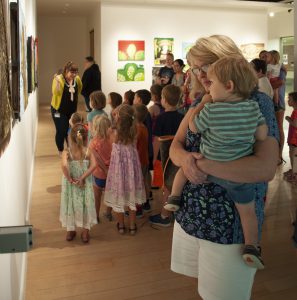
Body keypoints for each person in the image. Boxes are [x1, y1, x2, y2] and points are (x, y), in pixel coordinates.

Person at [169, 35, 279, 300]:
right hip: (192, 215)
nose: (201, 73)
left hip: (230, 226)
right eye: (195, 67)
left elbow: (264, 168)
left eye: (206, 65)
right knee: (205, 289)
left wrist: (200, 164)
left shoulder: (256, 102)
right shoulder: (201, 101)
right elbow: (176, 145)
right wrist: (185, 160)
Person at [165, 57, 267, 269]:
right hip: (234, 182)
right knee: (246, 212)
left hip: (207, 169)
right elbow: (262, 135)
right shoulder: (253, 108)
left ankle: (174, 198)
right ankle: (252, 247)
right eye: (195, 69)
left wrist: (203, 104)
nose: (202, 77)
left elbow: (193, 128)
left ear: (228, 85)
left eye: (207, 73)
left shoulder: (210, 108)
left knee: (183, 172)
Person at [104, 104, 146, 235]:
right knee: (131, 198)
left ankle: (121, 225)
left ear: (118, 118)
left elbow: (112, 144)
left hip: (118, 170)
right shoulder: (136, 130)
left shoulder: (112, 132)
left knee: (119, 197)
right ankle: (132, 226)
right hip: (132, 170)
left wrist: (115, 118)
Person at [149, 84, 184, 227]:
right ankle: (175, 211)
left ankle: (165, 216)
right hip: (179, 156)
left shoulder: (161, 119)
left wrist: (153, 159)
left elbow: (157, 141)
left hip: (165, 157)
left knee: (166, 186)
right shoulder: (182, 117)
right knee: (176, 183)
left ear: (164, 99)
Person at [60, 124, 97, 243]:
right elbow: (94, 165)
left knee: (70, 204)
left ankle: (71, 230)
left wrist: (70, 178)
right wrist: (82, 178)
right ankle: (85, 233)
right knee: (86, 204)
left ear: (70, 138)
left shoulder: (67, 152)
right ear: (86, 138)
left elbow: (64, 165)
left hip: (71, 185)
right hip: (84, 184)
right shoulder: (88, 152)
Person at [51, 61, 82, 155]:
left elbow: (79, 90)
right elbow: (56, 93)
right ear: (66, 70)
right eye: (72, 72)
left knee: (71, 130)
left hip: (71, 110)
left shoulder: (77, 79)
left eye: (75, 72)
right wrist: (56, 82)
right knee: (62, 130)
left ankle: (70, 148)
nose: (74, 74)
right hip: (59, 110)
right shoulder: (59, 79)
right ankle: (60, 149)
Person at [89, 115, 113, 222]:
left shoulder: (93, 142)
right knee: (111, 194)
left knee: (97, 195)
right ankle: (108, 213)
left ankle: (96, 216)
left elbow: (97, 159)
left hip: (99, 173)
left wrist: (105, 170)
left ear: (96, 128)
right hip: (112, 173)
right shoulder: (113, 140)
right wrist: (108, 170)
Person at [134, 89, 153, 212]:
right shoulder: (147, 116)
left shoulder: (138, 127)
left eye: (135, 97)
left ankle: (140, 205)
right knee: (145, 177)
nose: (134, 99)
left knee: (139, 180)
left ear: (139, 99)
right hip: (146, 153)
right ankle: (146, 201)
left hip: (139, 156)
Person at [134, 104, 150, 207]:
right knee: (144, 181)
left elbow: (133, 146)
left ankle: (138, 207)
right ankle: (146, 202)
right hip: (144, 159)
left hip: (137, 161)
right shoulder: (144, 127)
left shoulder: (137, 130)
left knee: (137, 184)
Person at [284, 92, 297, 183]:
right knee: (292, 154)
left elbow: (295, 124)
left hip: (294, 138)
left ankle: (294, 174)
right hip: (293, 137)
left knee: (293, 156)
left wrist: (288, 118)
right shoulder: (295, 110)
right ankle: (293, 170)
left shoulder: (296, 111)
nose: (288, 101)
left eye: (290, 99)